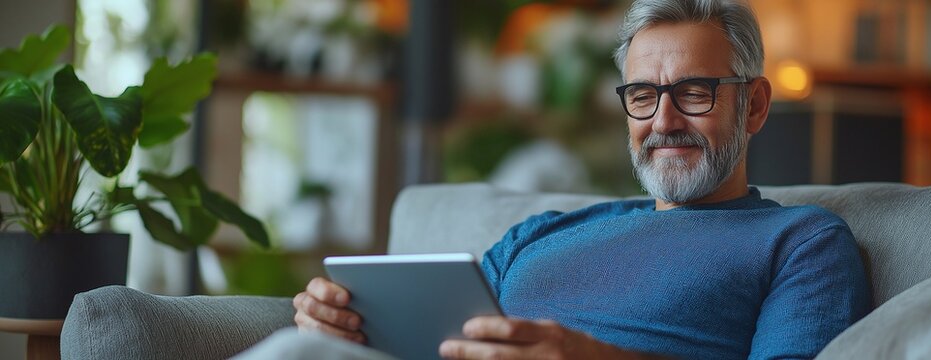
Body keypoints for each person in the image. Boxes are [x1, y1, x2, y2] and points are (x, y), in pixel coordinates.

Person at [288, 0, 872, 359]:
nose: (663, 121)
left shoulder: (802, 241)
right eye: (643, 95)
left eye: (694, 92)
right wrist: (347, 327)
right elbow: (442, 339)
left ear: (755, 105)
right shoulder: (541, 234)